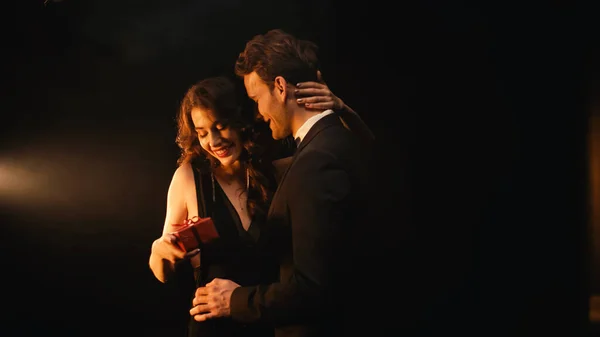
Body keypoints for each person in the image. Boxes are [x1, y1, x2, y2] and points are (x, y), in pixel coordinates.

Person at [149, 74, 372, 337]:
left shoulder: (280, 171)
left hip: (270, 323)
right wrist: (161, 250)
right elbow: (162, 272)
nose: (213, 141)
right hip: (212, 328)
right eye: (202, 133)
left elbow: (359, 154)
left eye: (220, 126)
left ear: (241, 122)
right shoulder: (188, 177)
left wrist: (342, 109)